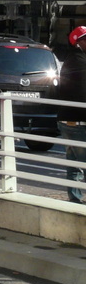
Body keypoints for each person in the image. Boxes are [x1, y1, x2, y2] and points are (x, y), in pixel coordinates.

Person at [57, 25, 86, 204]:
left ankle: (74, 200)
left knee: (74, 164)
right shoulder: (79, 61)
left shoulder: (73, 59)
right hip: (78, 121)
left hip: (68, 119)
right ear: (79, 42)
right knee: (79, 162)